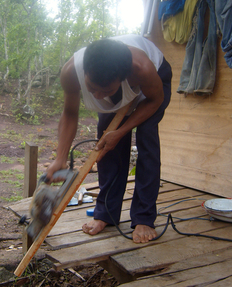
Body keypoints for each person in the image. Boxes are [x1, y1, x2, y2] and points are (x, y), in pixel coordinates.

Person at [46, 34, 172, 244]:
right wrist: (60, 158)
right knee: (106, 142)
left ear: (123, 79)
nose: (96, 95)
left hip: (154, 85)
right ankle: (106, 213)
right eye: (91, 88)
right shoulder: (71, 72)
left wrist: (122, 131)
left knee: (147, 138)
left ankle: (143, 217)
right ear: (84, 72)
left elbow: (155, 100)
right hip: (119, 84)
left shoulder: (141, 68)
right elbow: (69, 113)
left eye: (105, 91)